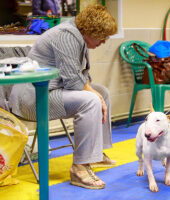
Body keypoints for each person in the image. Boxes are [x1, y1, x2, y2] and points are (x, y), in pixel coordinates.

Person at [9, 4, 117, 189]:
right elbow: (73, 81)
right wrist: (95, 96)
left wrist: (97, 93)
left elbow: (82, 75)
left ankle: (96, 154)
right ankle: (79, 169)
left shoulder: (77, 36)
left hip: (49, 92)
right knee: (92, 100)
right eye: (103, 36)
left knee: (102, 92)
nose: (104, 41)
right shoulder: (67, 35)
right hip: (33, 99)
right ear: (90, 30)